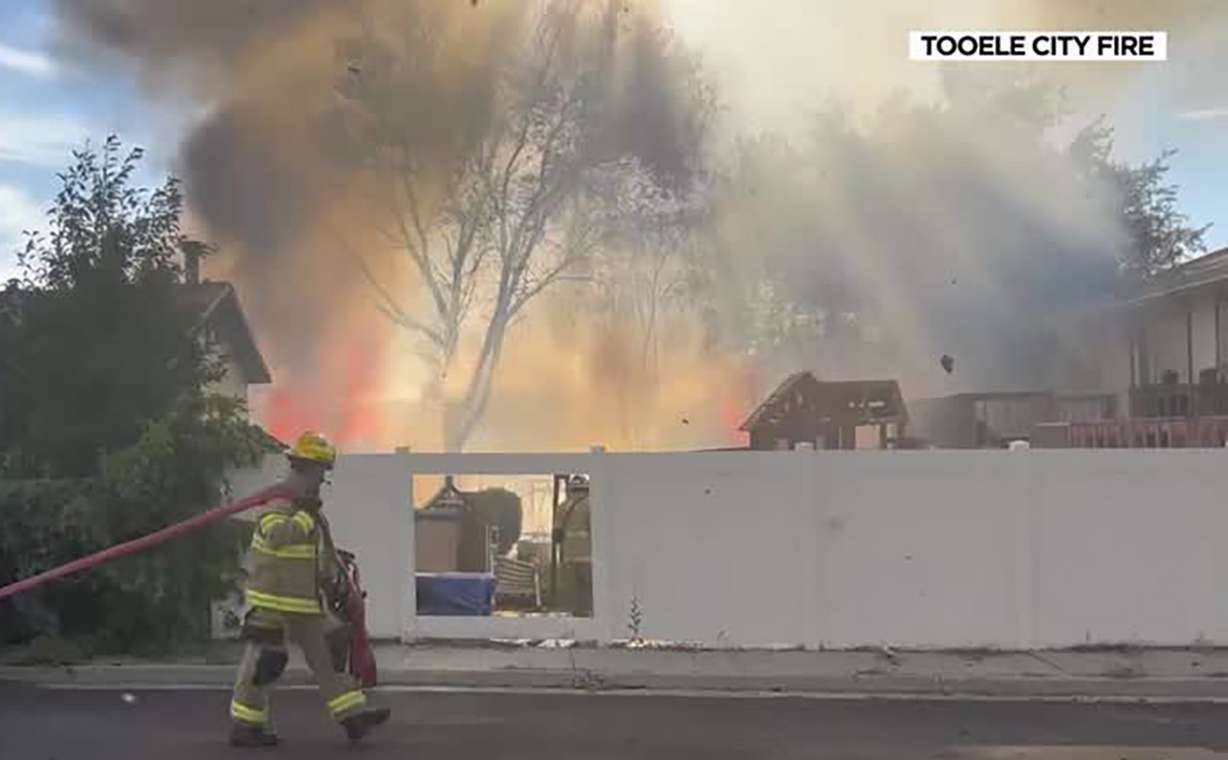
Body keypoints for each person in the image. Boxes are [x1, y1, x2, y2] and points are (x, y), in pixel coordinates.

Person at [228, 431, 390, 747]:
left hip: (302, 603)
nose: (321, 481)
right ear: (305, 468)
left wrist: (333, 569)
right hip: (273, 603)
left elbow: (308, 552)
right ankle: (246, 726)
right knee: (264, 665)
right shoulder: (279, 501)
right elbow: (276, 535)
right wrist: (304, 516)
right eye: (320, 474)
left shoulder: (304, 506)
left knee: (332, 652)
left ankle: (352, 717)